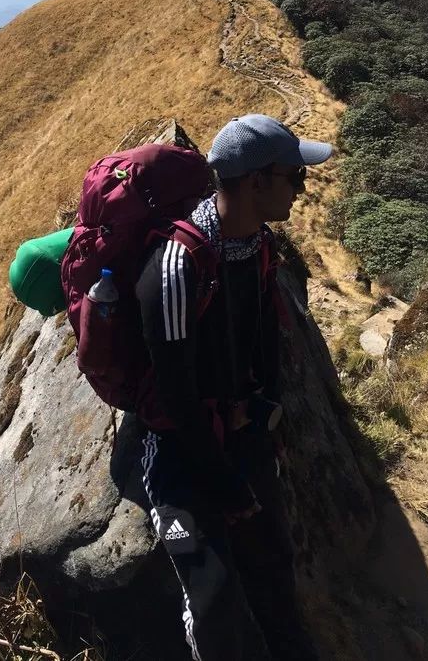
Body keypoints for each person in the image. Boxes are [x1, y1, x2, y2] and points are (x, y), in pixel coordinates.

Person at [136, 114, 331, 661]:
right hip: (177, 453)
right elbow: (175, 397)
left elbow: (263, 347)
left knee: (275, 571)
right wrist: (225, 485)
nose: (301, 189)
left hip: (240, 433)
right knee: (213, 598)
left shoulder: (258, 247)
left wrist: (262, 422)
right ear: (256, 182)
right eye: (295, 176)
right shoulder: (176, 267)